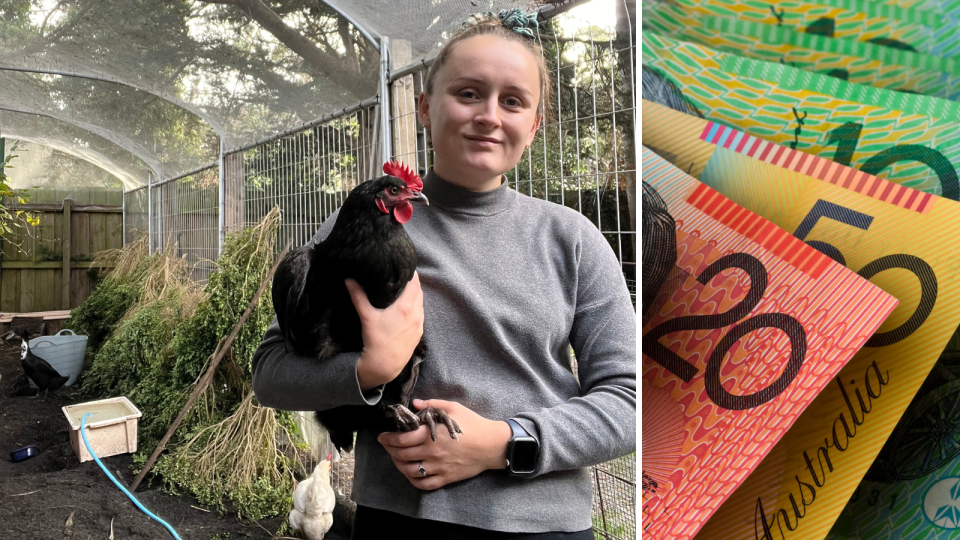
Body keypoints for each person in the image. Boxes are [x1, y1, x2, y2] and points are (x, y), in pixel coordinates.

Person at [251, 10, 636, 540]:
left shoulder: (572, 239)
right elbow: (270, 374)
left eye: (513, 101)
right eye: (469, 93)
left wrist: (505, 442)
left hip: (541, 524)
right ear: (426, 109)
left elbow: (629, 402)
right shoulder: (353, 229)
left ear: (535, 124)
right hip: (398, 519)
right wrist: (368, 371)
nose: (489, 116)